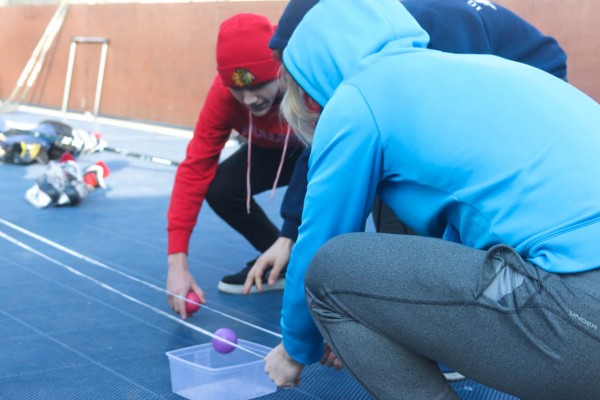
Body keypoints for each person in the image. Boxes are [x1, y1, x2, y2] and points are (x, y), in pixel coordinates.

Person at [259, 0, 600, 398]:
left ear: (310, 83)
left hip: (578, 316)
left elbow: (320, 240)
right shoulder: (478, 68)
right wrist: (367, 313)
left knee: (330, 269)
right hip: (577, 300)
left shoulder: (357, 100)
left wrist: (296, 348)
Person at [245, 0, 569, 288]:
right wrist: (289, 232)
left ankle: (469, 282)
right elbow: (326, 141)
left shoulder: (431, 29)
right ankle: (418, 282)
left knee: (429, 175)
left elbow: (465, 127)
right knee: (382, 156)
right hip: (477, 82)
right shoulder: (371, 44)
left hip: (535, 75)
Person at [166, 13, 303, 318]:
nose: (249, 99)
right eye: (238, 89)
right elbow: (194, 168)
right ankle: (279, 262)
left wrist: (292, 232)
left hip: (318, 151)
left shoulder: (307, 80)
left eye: (259, 85)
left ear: (279, 69)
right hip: (269, 152)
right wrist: (177, 263)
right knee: (221, 188)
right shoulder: (223, 96)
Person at [25, 152, 110, 208]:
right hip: (51, 188)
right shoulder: (72, 171)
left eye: (96, 185)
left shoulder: (77, 184)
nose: (93, 187)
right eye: (94, 182)